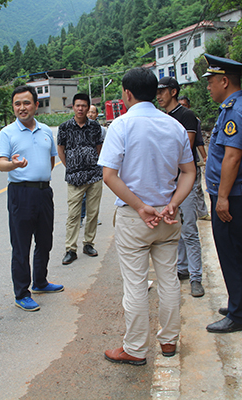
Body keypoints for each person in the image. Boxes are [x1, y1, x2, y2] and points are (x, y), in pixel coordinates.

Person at [98, 68, 196, 365]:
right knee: (168, 280)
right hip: (167, 218)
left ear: (127, 94)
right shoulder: (175, 126)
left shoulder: (121, 125)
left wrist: (141, 207)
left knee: (136, 285)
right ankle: (168, 341)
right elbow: (189, 172)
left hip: (135, 218)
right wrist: (173, 203)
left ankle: (135, 348)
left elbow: (110, 175)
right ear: (155, 92)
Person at [202, 54, 242, 333]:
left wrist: (222, 197)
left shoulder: (235, 111)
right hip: (240, 193)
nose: (209, 87)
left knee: (233, 253)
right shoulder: (239, 106)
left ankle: (239, 315)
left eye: (211, 81)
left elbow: (232, 158)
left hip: (233, 195)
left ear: (225, 81)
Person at [0, 85, 64, 312]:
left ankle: (41, 281)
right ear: (13, 107)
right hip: (20, 193)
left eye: (26, 103)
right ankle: (22, 293)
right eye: (17, 104)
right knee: (21, 244)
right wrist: (14, 165)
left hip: (44, 192)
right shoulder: (7, 133)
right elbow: (1, 164)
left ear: (36, 105)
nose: (22, 108)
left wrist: (40, 178)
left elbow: (51, 160)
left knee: (45, 240)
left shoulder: (46, 131)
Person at [156, 77, 205, 298]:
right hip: (169, 182)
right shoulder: (163, 118)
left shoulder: (186, 116)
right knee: (176, 228)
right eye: (157, 91)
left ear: (174, 92)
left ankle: (196, 277)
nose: (159, 95)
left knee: (190, 230)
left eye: (163, 91)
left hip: (184, 180)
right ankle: (183, 269)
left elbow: (186, 147)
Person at [58, 94, 104, 265]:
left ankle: (88, 244)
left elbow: (99, 148)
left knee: (93, 213)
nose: (80, 109)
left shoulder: (95, 127)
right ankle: (70, 249)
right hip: (74, 177)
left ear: (88, 107)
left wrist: (95, 165)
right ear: (73, 107)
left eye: (84, 106)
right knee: (73, 215)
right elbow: (61, 149)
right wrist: (69, 166)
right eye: (77, 105)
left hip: (94, 176)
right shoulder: (65, 127)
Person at [178, 95, 210, 221]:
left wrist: (205, 157)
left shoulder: (192, 120)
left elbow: (198, 141)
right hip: (179, 164)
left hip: (191, 162)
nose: (182, 108)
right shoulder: (172, 121)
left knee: (196, 188)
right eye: (179, 105)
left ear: (189, 107)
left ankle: (201, 213)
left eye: (184, 105)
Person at [80, 104, 106, 227]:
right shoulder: (80, 127)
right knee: (83, 194)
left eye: (93, 112)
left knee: (94, 194)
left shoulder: (102, 130)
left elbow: (104, 147)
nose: (90, 114)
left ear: (97, 115)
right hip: (83, 166)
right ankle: (80, 217)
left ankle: (94, 218)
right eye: (88, 112)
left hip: (97, 165)